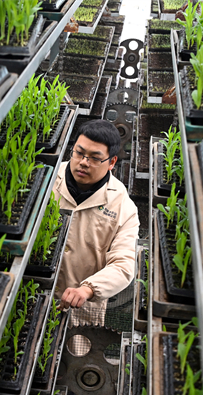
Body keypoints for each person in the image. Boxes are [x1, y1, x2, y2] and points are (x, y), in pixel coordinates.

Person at [53, 120, 139, 314]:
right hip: (33, 289)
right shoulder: (48, 179)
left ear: (112, 162)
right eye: (79, 153)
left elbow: (124, 264)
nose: (84, 162)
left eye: (94, 158)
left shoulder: (123, 207)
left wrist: (88, 289)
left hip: (81, 307)